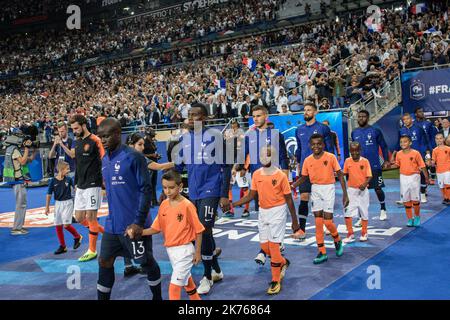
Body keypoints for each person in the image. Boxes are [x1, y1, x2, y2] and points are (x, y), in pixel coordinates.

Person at [97, 118, 162, 300]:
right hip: (112, 224)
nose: (103, 140)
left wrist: (138, 222)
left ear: (118, 134)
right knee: (104, 261)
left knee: (145, 263)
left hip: (133, 224)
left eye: (106, 136)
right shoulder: (104, 159)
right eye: (100, 137)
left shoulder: (134, 156)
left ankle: (157, 297)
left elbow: (146, 189)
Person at [173, 102, 231, 295]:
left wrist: (224, 194)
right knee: (205, 232)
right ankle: (217, 270)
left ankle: (206, 277)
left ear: (204, 118)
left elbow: (226, 166)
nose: (191, 118)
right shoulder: (184, 139)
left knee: (204, 229)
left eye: (196, 115)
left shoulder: (215, 136)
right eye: (189, 114)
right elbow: (178, 167)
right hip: (193, 192)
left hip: (211, 190)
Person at [233, 145, 299, 295]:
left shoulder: (281, 175)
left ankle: (275, 280)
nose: (264, 157)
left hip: (278, 211)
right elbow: (251, 196)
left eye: (268, 154)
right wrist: (233, 204)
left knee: (274, 247)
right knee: (266, 247)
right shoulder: (256, 174)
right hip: (263, 212)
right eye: (262, 154)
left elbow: (289, 199)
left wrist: (295, 222)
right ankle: (282, 262)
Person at [128, 171, 203, 300]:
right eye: (164, 188)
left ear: (180, 187)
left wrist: (197, 252)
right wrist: (139, 232)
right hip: (171, 251)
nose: (167, 191)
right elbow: (156, 228)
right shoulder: (163, 205)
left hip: (185, 251)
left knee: (174, 288)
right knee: (187, 282)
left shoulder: (187, 206)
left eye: (171, 188)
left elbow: (199, 230)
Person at [239, 106, 289, 265]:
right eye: (254, 116)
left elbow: (283, 157)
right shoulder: (249, 136)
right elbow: (243, 156)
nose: (256, 118)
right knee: (262, 215)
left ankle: (271, 246)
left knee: (276, 214)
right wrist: (237, 168)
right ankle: (265, 247)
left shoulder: (276, 135)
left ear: (266, 116)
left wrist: (286, 176)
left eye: (259, 116)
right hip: (257, 181)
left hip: (274, 181)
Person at [291, 134, 348, 264]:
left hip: (328, 189)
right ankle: (322, 252)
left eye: (319, 144)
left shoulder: (331, 157)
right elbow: (304, 177)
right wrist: (293, 185)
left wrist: (345, 194)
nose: (316, 146)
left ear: (323, 145)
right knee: (318, 223)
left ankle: (337, 239)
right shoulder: (307, 160)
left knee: (327, 222)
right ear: (310, 145)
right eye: (313, 144)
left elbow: (340, 175)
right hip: (315, 189)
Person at [63, 115, 105, 262]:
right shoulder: (77, 141)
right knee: (80, 218)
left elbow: (104, 160)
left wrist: (104, 183)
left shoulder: (95, 140)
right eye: (72, 129)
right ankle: (106, 234)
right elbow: (78, 164)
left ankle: (92, 250)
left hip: (93, 184)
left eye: (76, 128)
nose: (74, 131)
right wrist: (75, 183)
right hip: (80, 185)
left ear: (84, 125)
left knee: (91, 217)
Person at [294, 102, 332, 239]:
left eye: (309, 110)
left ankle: (328, 224)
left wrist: (330, 167)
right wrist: (298, 164)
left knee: (321, 199)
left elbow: (329, 149)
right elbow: (299, 149)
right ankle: (302, 230)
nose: (306, 112)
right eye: (304, 110)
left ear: (315, 112)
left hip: (321, 170)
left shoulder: (323, 128)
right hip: (305, 170)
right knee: (304, 197)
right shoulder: (299, 129)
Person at [351, 110, 390, 222]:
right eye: (359, 117)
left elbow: (384, 146)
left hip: (374, 165)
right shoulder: (354, 132)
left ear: (367, 118)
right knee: (359, 191)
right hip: (359, 167)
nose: (361, 118)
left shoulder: (375, 131)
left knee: (378, 188)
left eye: (363, 116)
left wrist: (386, 160)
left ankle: (383, 209)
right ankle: (360, 216)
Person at [390, 135, 429, 227]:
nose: (403, 143)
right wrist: (390, 166)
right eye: (401, 142)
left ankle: (417, 217)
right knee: (406, 200)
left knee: (415, 199)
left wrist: (427, 177)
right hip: (403, 177)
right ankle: (409, 218)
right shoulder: (399, 154)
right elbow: (397, 164)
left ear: (410, 143)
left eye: (405, 141)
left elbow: (422, 166)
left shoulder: (416, 153)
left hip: (414, 177)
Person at [44, 161, 82, 254]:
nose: (69, 171)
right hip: (58, 204)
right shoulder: (52, 181)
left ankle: (77, 236)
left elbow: (75, 190)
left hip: (68, 203)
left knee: (66, 225)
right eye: (67, 169)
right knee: (58, 225)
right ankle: (63, 246)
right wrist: (47, 207)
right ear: (61, 169)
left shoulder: (69, 179)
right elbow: (49, 194)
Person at [3, 136, 37, 235]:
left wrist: (33, 151)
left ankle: (19, 227)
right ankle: (16, 229)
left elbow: (27, 160)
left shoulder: (11, 149)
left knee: (21, 204)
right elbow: (22, 162)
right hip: (17, 180)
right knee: (20, 204)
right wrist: (26, 148)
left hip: (16, 180)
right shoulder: (15, 150)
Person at [395, 113, 431, 203]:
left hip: (418, 155)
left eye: (407, 119)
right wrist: (394, 154)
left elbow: (425, 143)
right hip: (406, 156)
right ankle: (404, 197)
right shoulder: (401, 130)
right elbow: (398, 144)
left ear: (411, 119)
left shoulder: (418, 129)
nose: (406, 121)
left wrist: (427, 156)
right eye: (404, 119)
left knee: (422, 174)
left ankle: (422, 194)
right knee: (405, 175)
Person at [342, 142, 372, 243]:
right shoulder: (347, 161)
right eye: (352, 151)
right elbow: (344, 173)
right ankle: (350, 234)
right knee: (347, 211)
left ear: (360, 150)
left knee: (364, 211)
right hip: (351, 191)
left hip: (363, 191)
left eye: (357, 150)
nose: (354, 153)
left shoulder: (365, 161)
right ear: (350, 151)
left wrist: (365, 183)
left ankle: (364, 232)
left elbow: (369, 176)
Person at [415, 107, 439, 184]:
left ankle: (432, 178)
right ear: (416, 114)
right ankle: (424, 184)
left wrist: (433, 147)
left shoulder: (428, 123)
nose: (422, 113)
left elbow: (432, 136)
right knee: (422, 167)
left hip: (428, 147)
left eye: (422, 112)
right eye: (419, 112)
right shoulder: (414, 124)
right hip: (418, 149)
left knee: (431, 164)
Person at [430, 133, 450, 205]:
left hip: (447, 169)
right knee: (441, 185)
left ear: (443, 139)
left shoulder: (448, 149)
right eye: (437, 139)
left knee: (447, 184)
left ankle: (448, 198)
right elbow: (433, 161)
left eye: (440, 138)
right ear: (435, 140)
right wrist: (431, 162)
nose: (439, 140)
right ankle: (445, 198)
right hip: (439, 171)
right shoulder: (435, 150)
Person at [143, 128, 161, 207]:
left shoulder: (152, 141)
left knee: (153, 183)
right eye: (152, 134)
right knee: (148, 184)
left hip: (155, 163)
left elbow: (153, 151)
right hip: (148, 165)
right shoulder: (144, 142)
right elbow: (141, 154)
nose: (153, 135)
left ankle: (154, 201)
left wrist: (156, 156)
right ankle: (148, 202)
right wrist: (152, 155)